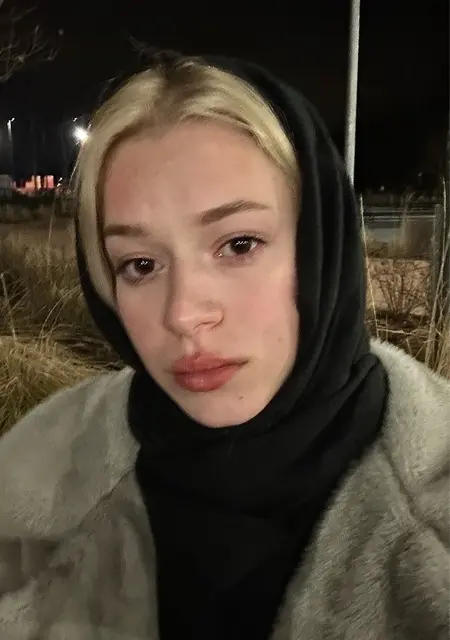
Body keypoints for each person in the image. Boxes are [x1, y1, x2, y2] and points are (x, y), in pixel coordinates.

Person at [0, 53, 448, 640]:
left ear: (321, 245)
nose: (184, 315)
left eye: (238, 244)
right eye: (140, 264)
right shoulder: (30, 476)